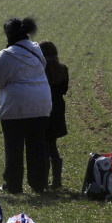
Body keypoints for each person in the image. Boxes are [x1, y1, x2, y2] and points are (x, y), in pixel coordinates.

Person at [0, 18, 51, 194]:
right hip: (41, 104)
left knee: (14, 148)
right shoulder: (36, 49)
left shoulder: (7, 54)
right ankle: (39, 183)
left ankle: (14, 185)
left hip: (15, 108)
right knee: (37, 146)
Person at [38, 41, 68, 189]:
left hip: (42, 110)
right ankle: (57, 180)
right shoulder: (63, 69)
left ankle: (42, 179)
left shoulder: (39, 70)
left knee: (42, 146)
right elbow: (64, 90)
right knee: (53, 146)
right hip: (57, 110)